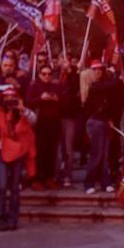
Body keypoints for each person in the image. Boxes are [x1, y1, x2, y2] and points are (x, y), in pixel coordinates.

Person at [0, 86, 36, 231]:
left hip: (18, 153)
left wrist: (22, 109)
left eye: (12, 99)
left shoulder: (22, 114)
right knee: (2, 186)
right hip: (2, 153)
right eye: (6, 99)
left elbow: (34, 120)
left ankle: (13, 218)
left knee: (15, 187)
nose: (9, 102)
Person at [82, 60, 123, 194]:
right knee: (96, 154)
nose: (98, 72)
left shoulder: (103, 85)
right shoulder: (94, 86)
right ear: (91, 72)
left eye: (100, 69)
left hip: (104, 121)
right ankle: (89, 183)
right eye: (95, 70)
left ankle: (105, 183)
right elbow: (112, 85)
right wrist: (116, 74)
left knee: (104, 155)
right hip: (96, 122)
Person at [25, 64, 63, 190]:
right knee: (39, 152)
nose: (47, 76)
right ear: (39, 74)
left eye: (49, 74)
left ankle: (49, 177)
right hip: (39, 124)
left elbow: (65, 101)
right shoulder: (34, 86)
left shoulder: (56, 86)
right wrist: (41, 99)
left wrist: (57, 99)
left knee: (51, 152)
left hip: (53, 123)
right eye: (44, 74)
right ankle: (36, 178)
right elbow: (28, 102)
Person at [57, 59, 81, 188]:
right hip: (56, 117)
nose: (64, 65)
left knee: (68, 149)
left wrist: (72, 72)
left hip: (69, 117)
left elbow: (76, 88)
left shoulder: (73, 78)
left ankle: (67, 175)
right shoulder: (55, 77)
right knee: (57, 150)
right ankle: (56, 175)